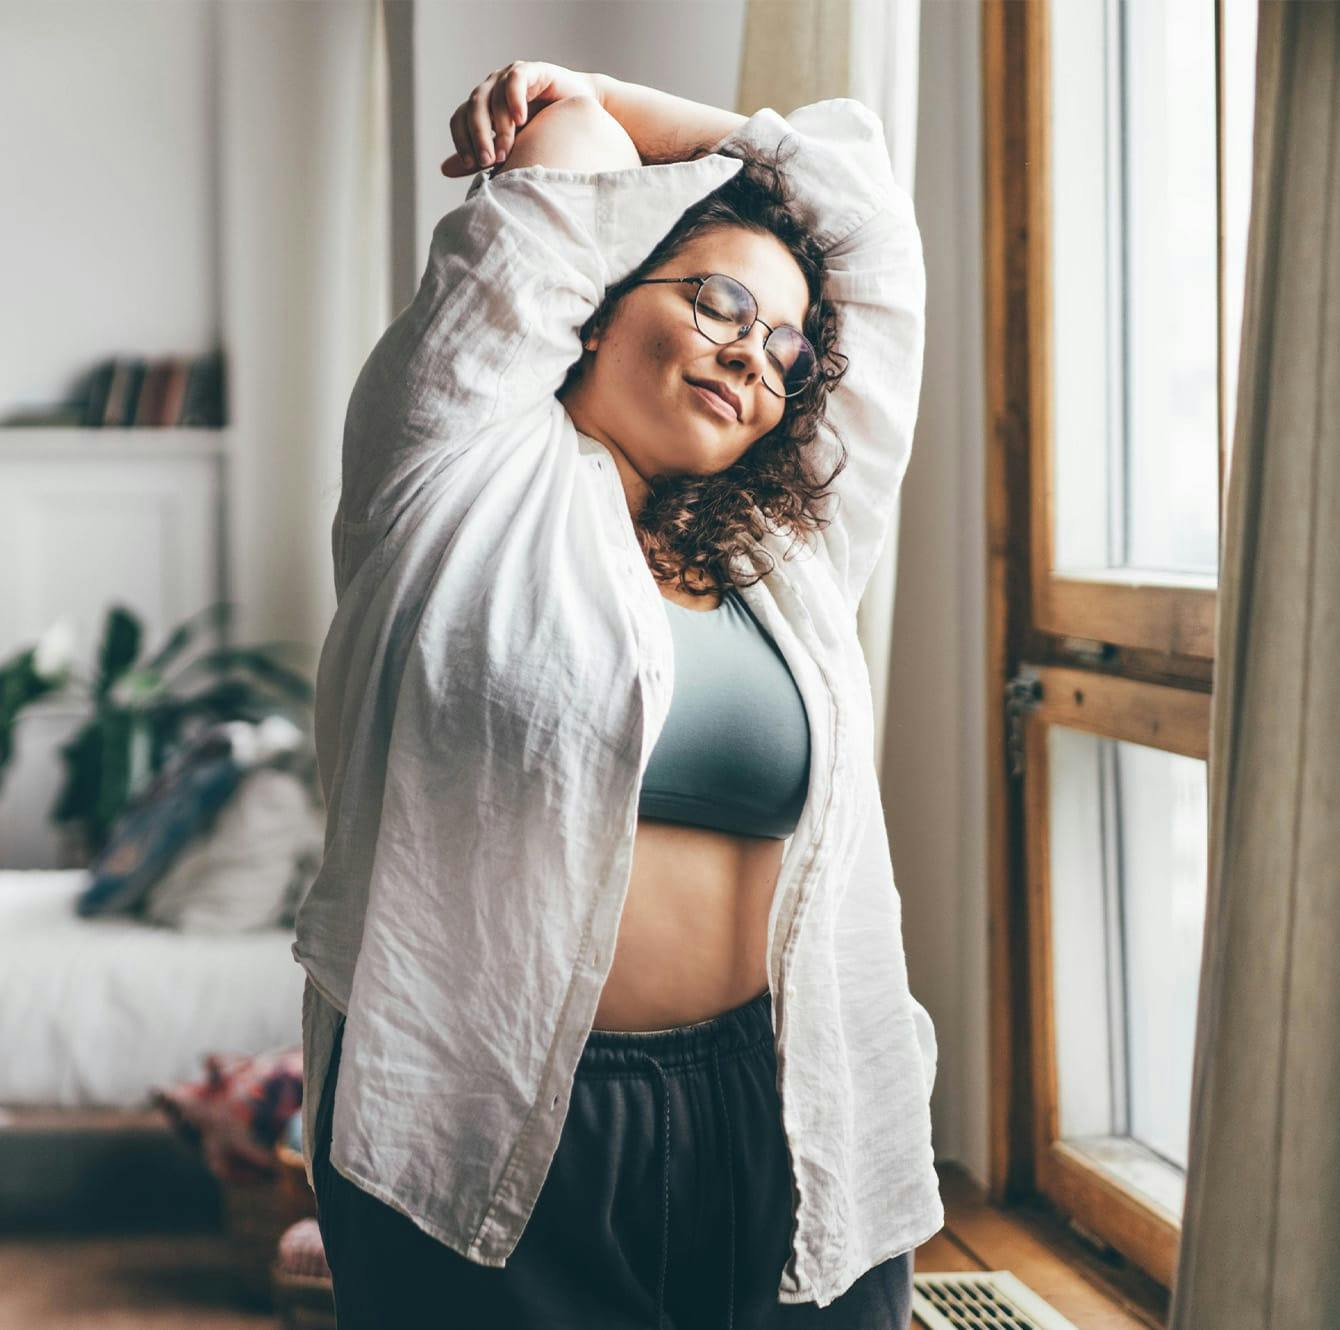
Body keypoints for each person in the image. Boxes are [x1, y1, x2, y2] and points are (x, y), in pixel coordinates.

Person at [296, 59, 942, 1329]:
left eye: (780, 346)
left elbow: (867, 209)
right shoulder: (451, 467)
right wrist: (584, 97)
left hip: (782, 1101)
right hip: (497, 1108)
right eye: (716, 302)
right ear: (593, 300)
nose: (750, 355)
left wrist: (633, 105)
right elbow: (570, 146)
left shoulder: (789, 552)